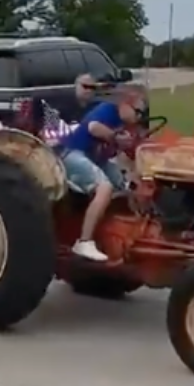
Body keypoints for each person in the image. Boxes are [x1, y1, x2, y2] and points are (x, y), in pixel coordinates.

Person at [58, 89, 141, 261]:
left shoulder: (125, 124)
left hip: (98, 159)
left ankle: (129, 230)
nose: (139, 117)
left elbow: (124, 155)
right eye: (138, 111)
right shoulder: (108, 110)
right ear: (125, 104)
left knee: (125, 186)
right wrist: (114, 137)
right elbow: (93, 127)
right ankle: (84, 241)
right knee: (105, 187)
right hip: (74, 154)